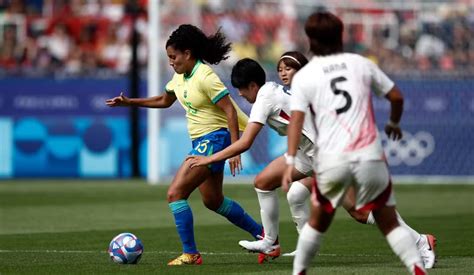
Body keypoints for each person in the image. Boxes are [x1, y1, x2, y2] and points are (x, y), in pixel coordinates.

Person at [281, 11, 427, 275]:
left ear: (311, 41)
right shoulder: (361, 63)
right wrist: (393, 124)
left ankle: (298, 272)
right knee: (390, 223)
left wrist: (291, 160)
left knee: (316, 224)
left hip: (333, 159)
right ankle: (417, 268)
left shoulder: (305, 76)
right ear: (340, 37)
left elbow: (295, 121)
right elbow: (396, 97)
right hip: (370, 156)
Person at [106, 24, 262, 266]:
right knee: (213, 201)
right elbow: (163, 99)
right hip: (202, 141)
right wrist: (130, 102)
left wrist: (235, 149)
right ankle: (264, 236)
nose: (171, 62)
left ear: (188, 54)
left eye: (173, 57)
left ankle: (191, 254)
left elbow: (230, 111)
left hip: (214, 139)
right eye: (168, 57)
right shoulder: (179, 76)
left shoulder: (205, 76)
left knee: (175, 193)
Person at [187, 56, 316, 264]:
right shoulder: (271, 89)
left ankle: (388, 219)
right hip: (307, 152)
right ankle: (271, 242)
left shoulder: (264, 98)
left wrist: (208, 159)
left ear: (253, 85)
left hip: (324, 153)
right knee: (263, 182)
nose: (239, 93)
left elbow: (246, 142)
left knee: (358, 212)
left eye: (242, 89)